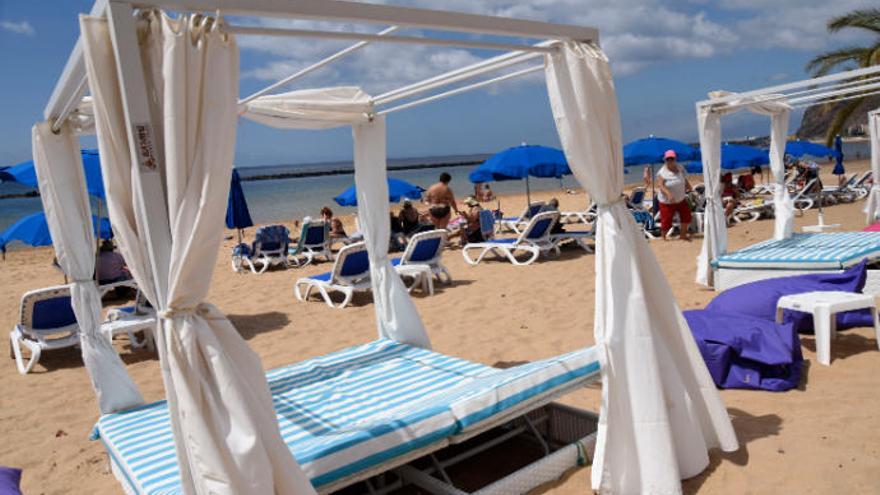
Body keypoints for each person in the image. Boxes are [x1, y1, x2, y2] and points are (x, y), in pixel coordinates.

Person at [656, 149, 693, 240]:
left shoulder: (680, 168)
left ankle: (683, 236)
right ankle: (663, 237)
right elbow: (660, 185)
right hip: (667, 202)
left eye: (672, 159)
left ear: (675, 159)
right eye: (668, 159)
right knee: (667, 221)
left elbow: (684, 179)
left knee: (686, 216)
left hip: (680, 199)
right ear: (665, 160)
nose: (670, 161)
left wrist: (689, 187)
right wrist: (668, 194)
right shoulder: (662, 172)